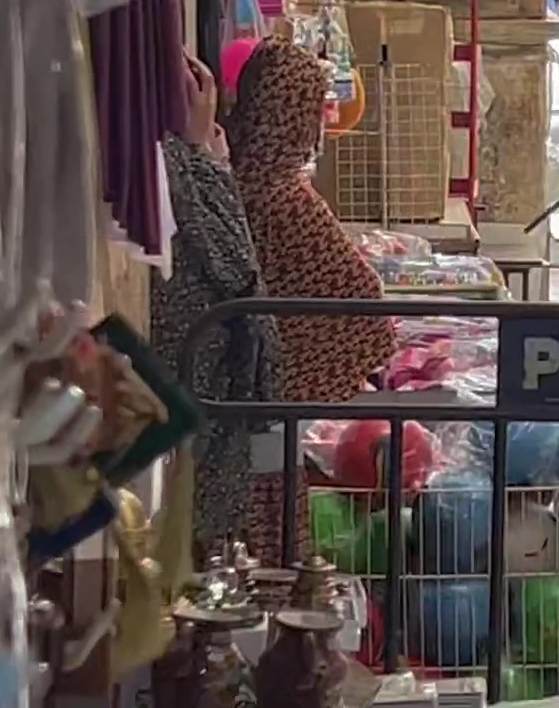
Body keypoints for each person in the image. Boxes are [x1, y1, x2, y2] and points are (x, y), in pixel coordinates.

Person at [228, 37, 395, 562]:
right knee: (273, 545)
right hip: (270, 400)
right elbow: (359, 297)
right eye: (315, 109)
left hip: (233, 393)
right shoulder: (286, 198)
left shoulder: (229, 178)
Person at [152, 55, 280, 555]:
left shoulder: (184, 168)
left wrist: (209, 161)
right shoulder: (175, 169)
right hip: (199, 375)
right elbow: (236, 263)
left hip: (207, 375)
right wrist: (208, 162)